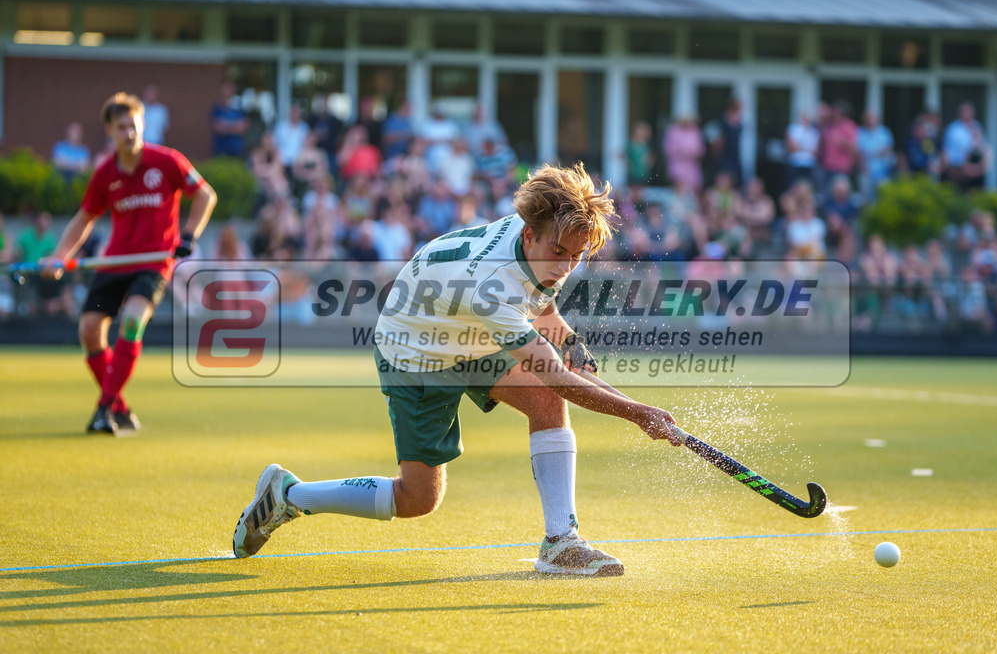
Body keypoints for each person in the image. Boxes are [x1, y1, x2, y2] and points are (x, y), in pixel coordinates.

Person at [231, 163, 679, 576]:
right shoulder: (493, 281)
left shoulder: (547, 240)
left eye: (577, 256)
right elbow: (556, 374)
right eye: (559, 252)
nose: (564, 266)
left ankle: (561, 543)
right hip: (416, 349)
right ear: (529, 235)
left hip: (466, 330)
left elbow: (542, 305)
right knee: (418, 498)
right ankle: (289, 495)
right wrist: (638, 413)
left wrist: (570, 341)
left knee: (546, 400)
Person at [40, 92, 217, 435]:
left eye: (133, 126)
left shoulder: (167, 161)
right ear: (109, 131)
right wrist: (60, 257)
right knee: (90, 330)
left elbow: (206, 195)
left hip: (153, 263)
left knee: (132, 322)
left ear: (142, 125)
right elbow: (84, 219)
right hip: (115, 260)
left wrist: (189, 235)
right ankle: (118, 406)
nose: (129, 133)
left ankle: (103, 407)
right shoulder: (105, 172)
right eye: (121, 127)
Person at [210, 80, 249, 158]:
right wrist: (235, 126)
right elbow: (218, 128)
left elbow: (243, 127)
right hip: (220, 149)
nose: (228, 90)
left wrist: (226, 125)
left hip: (236, 149)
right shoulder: (217, 107)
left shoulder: (240, 107)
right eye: (226, 88)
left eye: (230, 88)